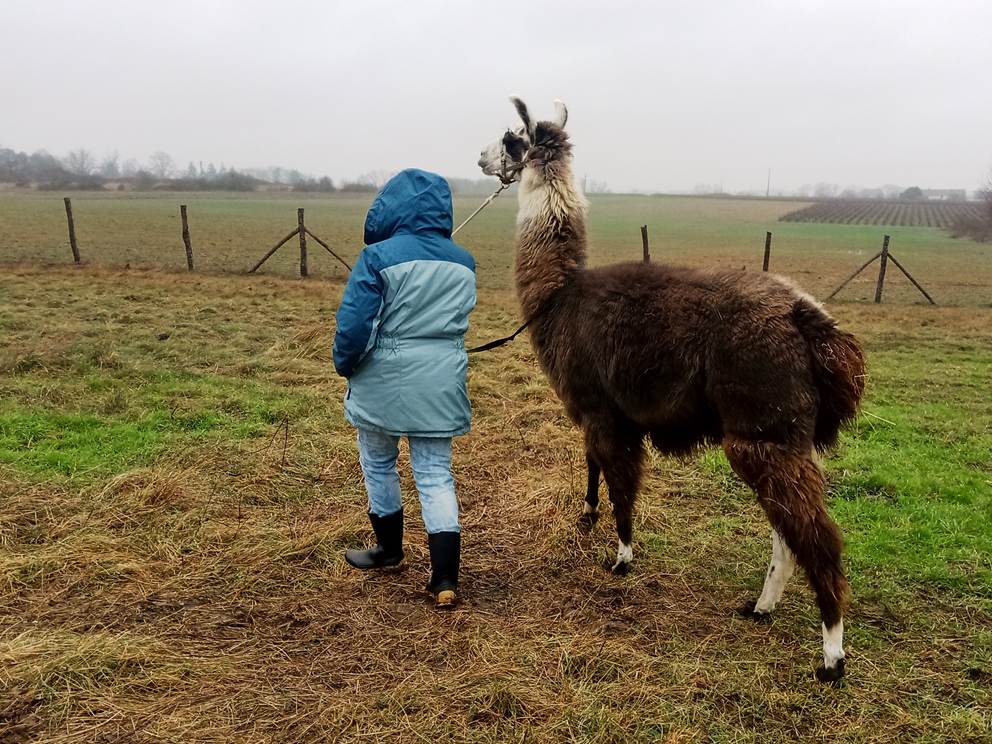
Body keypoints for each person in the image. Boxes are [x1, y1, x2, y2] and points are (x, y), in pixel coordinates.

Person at [333, 168, 476, 609]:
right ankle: (445, 578)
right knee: (435, 474)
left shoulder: (377, 258)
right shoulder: (464, 262)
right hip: (441, 381)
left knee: (378, 463)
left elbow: (356, 325)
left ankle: (389, 551)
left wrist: (345, 364)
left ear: (390, 207)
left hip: (382, 380)